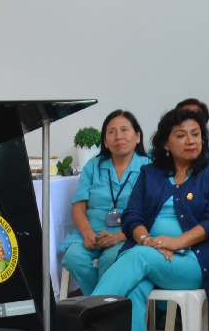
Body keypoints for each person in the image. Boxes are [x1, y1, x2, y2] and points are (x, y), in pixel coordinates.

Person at [92, 107, 209, 331]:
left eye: (196, 134)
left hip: (195, 262)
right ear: (166, 143)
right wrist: (148, 240)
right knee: (131, 292)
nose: (191, 140)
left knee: (137, 259)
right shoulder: (151, 173)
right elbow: (132, 216)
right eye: (181, 135)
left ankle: (85, 320)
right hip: (152, 255)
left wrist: (176, 242)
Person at [60, 110, 151, 294]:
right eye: (112, 132)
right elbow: (78, 208)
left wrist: (119, 236)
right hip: (91, 232)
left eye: (125, 130)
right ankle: (101, 307)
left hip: (128, 233)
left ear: (138, 136)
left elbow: (152, 213)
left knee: (112, 259)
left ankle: (96, 309)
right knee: (73, 257)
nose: (119, 136)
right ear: (105, 142)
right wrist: (87, 234)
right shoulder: (93, 166)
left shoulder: (149, 168)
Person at [175, 98, 209, 167]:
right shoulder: (160, 151)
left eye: (197, 117)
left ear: (205, 124)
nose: (191, 121)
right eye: (185, 117)